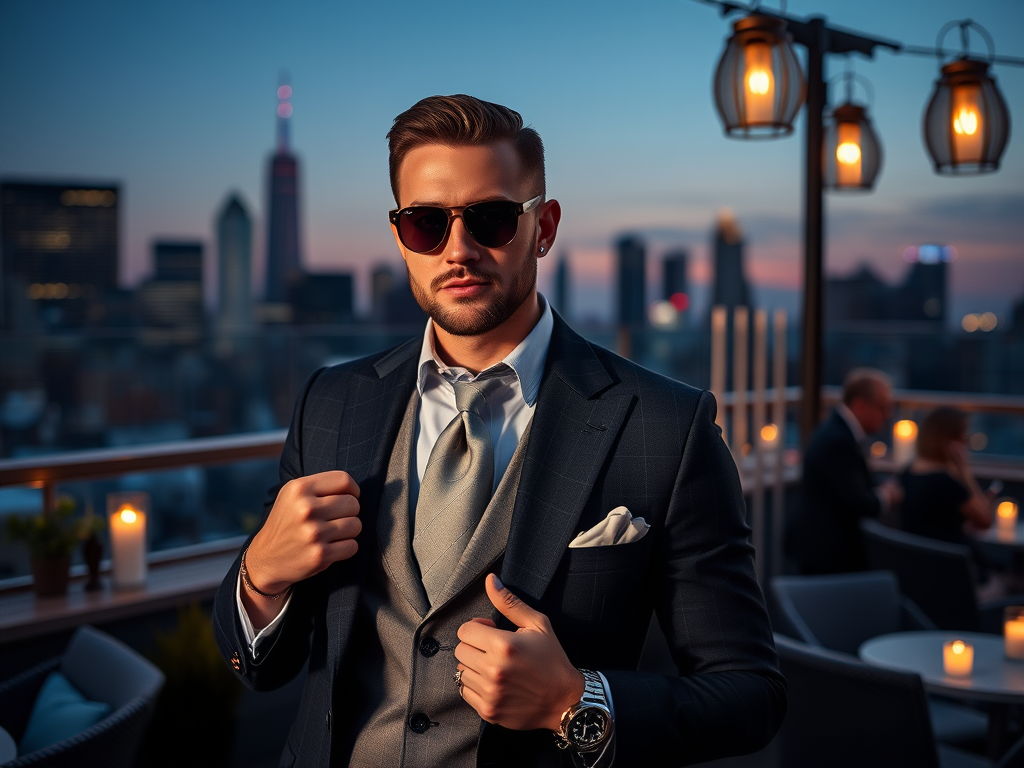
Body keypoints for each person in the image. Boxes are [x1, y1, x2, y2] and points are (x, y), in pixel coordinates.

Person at [212, 94, 785, 768]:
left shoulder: (667, 425)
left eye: (490, 219)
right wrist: (260, 578)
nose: (458, 249)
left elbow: (750, 697)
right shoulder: (333, 401)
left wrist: (577, 702)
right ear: (400, 236)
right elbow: (262, 668)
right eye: (426, 223)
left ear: (543, 227)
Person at [784, 367, 903, 575]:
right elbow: (856, 502)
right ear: (860, 405)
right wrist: (887, 495)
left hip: (821, 545)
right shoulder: (839, 441)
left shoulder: (836, 431)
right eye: (883, 408)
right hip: (827, 551)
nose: (888, 415)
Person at [899, 406, 995, 547]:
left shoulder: (908, 472)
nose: (966, 445)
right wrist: (965, 473)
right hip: (951, 562)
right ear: (950, 442)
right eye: (964, 438)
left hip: (920, 559)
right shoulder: (947, 484)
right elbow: (986, 521)